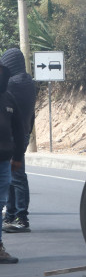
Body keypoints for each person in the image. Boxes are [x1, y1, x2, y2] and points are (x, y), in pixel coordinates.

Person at [1, 48, 36, 234]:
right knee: (13, 177)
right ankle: (12, 215)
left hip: (14, 134)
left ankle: (21, 217)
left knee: (17, 177)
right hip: (22, 132)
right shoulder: (28, 82)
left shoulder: (14, 84)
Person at [0, 64, 26, 263]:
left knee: (0, 203)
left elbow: (19, 129)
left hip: (3, 161)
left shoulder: (9, 98)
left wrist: (18, 156)